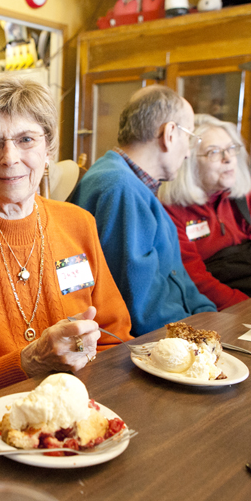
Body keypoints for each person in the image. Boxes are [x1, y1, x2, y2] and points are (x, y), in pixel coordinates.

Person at [0, 73, 132, 406]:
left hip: (87, 406)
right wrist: (28, 362)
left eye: (26, 140)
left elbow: (115, 337)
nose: (10, 158)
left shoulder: (79, 223)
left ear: (48, 150)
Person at [68, 86, 216, 337]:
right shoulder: (120, 188)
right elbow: (143, 311)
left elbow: (176, 280)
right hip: (150, 345)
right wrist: (202, 335)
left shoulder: (126, 182)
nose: (189, 152)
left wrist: (211, 317)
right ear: (169, 133)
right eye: (189, 138)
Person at [159, 114, 251, 310]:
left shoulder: (244, 197)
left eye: (231, 149)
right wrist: (250, 309)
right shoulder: (170, 209)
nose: (228, 159)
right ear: (189, 162)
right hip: (218, 311)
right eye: (214, 152)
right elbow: (195, 279)